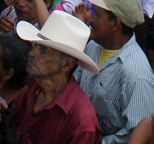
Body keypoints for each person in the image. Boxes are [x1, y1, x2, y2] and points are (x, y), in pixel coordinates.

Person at [75, 0, 154, 144]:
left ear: (115, 24)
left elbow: (139, 134)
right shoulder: (93, 47)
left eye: (97, 15)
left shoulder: (137, 75)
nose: (91, 19)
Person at [12, 10, 101, 144]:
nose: (32, 53)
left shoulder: (81, 120)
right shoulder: (30, 90)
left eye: (44, 51)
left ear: (67, 64)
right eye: (35, 45)